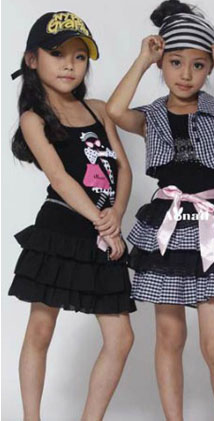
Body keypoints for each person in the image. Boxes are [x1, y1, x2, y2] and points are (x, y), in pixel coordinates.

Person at [106, 1, 214, 419]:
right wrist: (143, 60)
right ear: (162, 64)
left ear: (209, 68)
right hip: (168, 226)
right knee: (169, 337)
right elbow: (115, 111)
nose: (186, 74)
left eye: (198, 65)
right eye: (175, 62)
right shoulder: (153, 115)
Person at [9, 11, 135, 421]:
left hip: (105, 230)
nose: (70, 65)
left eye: (79, 57)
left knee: (121, 337)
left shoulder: (98, 110)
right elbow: (60, 178)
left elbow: (123, 168)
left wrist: (116, 214)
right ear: (32, 59)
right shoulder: (34, 118)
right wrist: (102, 222)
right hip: (60, 229)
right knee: (41, 329)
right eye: (58, 54)